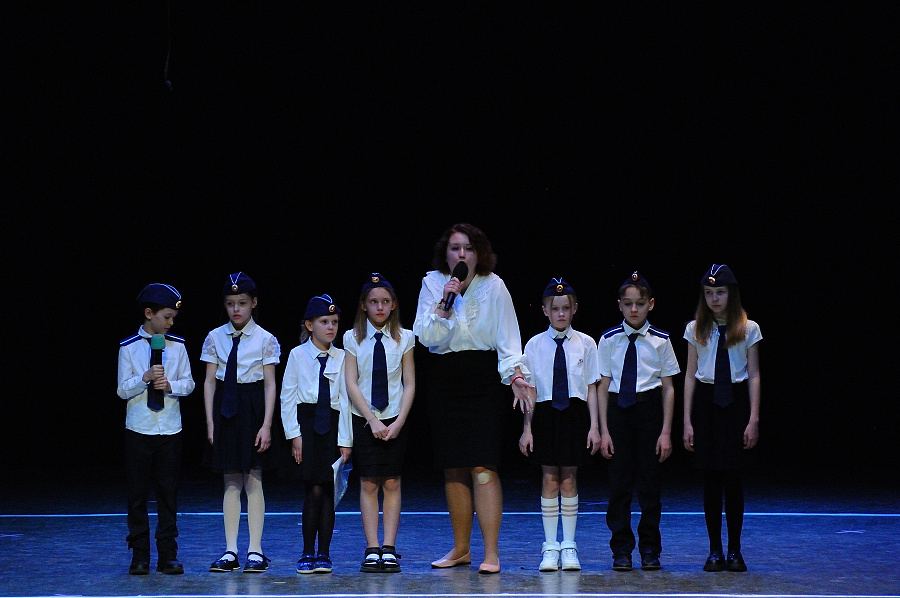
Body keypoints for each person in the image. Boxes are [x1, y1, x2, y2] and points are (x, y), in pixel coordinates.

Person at [413, 222, 533, 574]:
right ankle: (461, 548)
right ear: (446, 253)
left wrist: (515, 375)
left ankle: (491, 553)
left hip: (482, 378)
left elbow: (508, 337)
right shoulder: (432, 283)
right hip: (445, 378)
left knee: (482, 466)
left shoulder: (494, 285)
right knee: (453, 467)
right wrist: (445, 301)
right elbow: (427, 337)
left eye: (468, 248)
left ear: (478, 254)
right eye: (455, 248)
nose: (461, 254)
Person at [597, 271, 679, 572]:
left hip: (649, 410)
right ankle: (621, 549)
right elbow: (603, 386)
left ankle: (649, 549)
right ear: (619, 305)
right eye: (628, 303)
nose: (634, 309)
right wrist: (604, 430)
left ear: (650, 304)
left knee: (649, 484)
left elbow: (668, 388)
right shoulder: (608, 339)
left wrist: (666, 431)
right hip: (619, 411)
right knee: (619, 484)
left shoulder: (661, 340)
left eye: (640, 304)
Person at [682, 264, 761, 573]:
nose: (715, 299)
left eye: (720, 292)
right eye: (709, 293)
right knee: (711, 481)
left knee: (734, 480)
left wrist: (753, 419)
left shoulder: (749, 328)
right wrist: (687, 421)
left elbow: (754, 375)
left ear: (732, 294)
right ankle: (714, 550)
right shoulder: (695, 328)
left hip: (736, 403)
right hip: (707, 403)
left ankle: (735, 550)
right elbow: (690, 374)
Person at [518, 277, 601, 572]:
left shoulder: (586, 343)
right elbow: (529, 391)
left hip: (574, 413)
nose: (561, 313)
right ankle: (550, 545)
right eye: (555, 309)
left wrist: (595, 427)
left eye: (566, 308)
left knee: (569, 479)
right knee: (549, 478)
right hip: (545, 413)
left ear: (575, 308)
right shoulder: (534, 344)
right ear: (545, 311)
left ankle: (569, 545)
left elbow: (591, 387)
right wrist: (527, 429)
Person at [202, 272, 281, 573]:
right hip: (226, 407)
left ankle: (255, 550)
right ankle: (230, 550)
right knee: (231, 479)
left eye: (242, 303)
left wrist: (266, 424)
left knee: (254, 478)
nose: (236, 309)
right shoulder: (215, 337)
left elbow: (270, 384)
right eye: (230, 303)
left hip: (252, 407)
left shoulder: (265, 339)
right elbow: (210, 381)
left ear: (253, 303)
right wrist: (210, 422)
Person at [117, 283, 195, 575]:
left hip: (169, 430)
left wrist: (170, 386)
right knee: (137, 494)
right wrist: (145, 378)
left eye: (173, 318)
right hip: (139, 429)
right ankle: (139, 554)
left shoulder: (178, 345)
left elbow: (189, 383)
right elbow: (122, 390)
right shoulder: (128, 347)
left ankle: (168, 555)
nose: (171, 323)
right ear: (149, 313)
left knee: (168, 493)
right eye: (166, 317)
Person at [343, 273, 416, 573]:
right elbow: (351, 382)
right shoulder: (352, 337)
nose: (380, 307)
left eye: (386, 301)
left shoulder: (405, 337)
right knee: (369, 482)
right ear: (364, 305)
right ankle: (372, 547)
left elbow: (409, 383)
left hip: (395, 418)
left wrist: (399, 422)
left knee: (393, 482)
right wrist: (372, 420)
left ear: (394, 304)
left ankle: (389, 548)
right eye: (374, 302)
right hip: (365, 419)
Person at [280, 293, 353, 575]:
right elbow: (288, 397)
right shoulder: (297, 355)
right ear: (310, 325)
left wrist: (345, 440)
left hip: (332, 426)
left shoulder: (343, 357)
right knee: (313, 488)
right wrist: (294, 435)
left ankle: (324, 553)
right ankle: (307, 551)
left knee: (328, 490)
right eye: (324, 322)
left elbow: (345, 401)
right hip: (307, 425)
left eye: (334, 322)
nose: (331, 327)